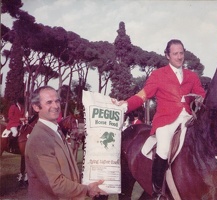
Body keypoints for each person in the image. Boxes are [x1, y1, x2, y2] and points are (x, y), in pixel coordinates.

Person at [112, 39, 206, 197]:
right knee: (163, 148)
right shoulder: (158, 75)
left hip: (188, 119)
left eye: (181, 53)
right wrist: (126, 105)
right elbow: (143, 95)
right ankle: (157, 192)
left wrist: (201, 99)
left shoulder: (192, 76)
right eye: (175, 53)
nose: (179, 57)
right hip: (166, 120)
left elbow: (201, 94)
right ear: (167, 56)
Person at [25, 86, 107, 199]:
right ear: (36, 107)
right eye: (49, 102)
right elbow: (55, 184)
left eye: (57, 101)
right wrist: (87, 190)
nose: (55, 106)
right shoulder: (39, 138)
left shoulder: (55, 130)